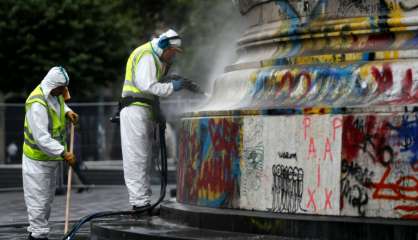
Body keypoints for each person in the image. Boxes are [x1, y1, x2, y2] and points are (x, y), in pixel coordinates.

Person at [120, 29, 186, 210]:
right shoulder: (147, 56)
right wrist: (171, 87)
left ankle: (143, 201)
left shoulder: (155, 58)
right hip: (135, 111)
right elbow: (147, 85)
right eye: (172, 52)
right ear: (165, 47)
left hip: (143, 111)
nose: (173, 57)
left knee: (144, 158)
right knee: (136, 158)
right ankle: (139, 203)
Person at [22, 66, 79, 240]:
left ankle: (38, 232)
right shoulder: (37, 104)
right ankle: (38, 235)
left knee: (46, 202)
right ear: (53, 86)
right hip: (37, 162)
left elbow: (58, 106)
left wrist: (68, 112)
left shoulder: (55, 94)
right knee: (38, 203)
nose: (64, 92)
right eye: (61, 88)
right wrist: (63, 152)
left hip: (50, 160)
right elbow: (41, 138)